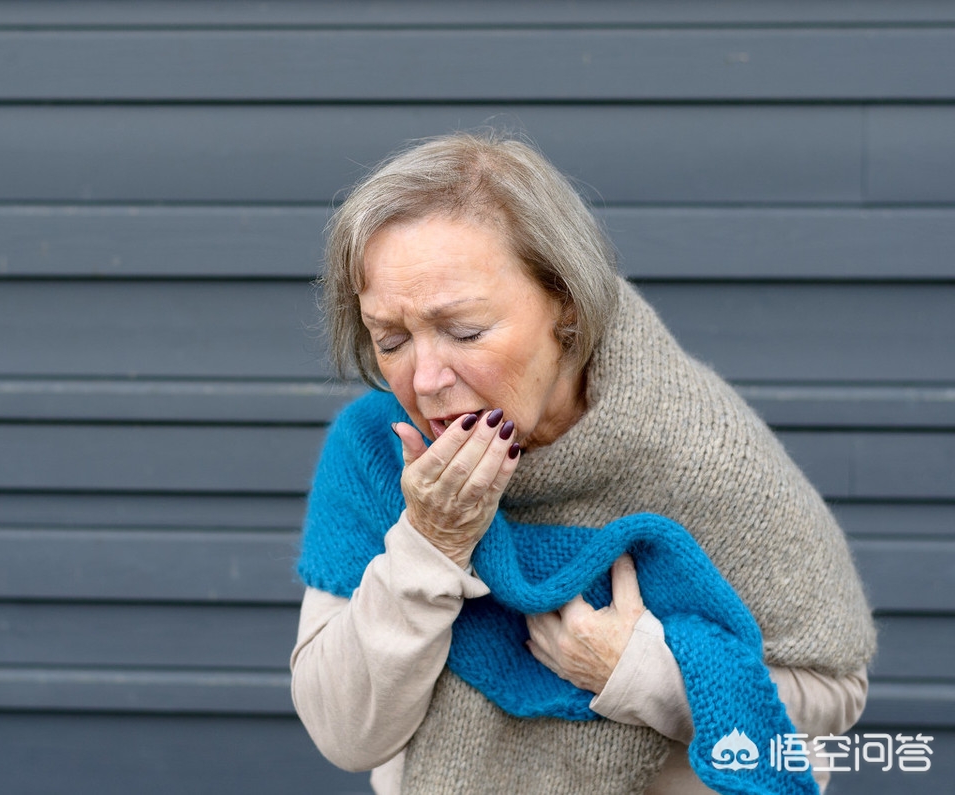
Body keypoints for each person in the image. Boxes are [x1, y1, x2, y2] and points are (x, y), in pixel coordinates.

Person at [291, 131, 875, 794]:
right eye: (391, 339)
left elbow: (834, 692)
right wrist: (429, 544)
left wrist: (642, 671)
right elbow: (344, 733)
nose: (425, 379)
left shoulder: (700, 453)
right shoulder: (377, 451)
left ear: (565, 304)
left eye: (465, 331)